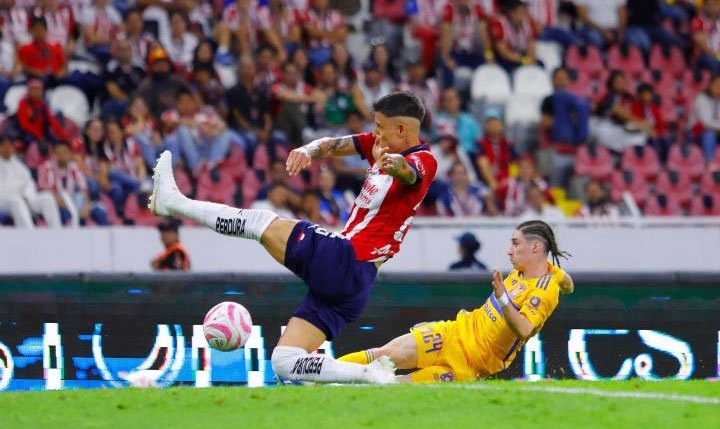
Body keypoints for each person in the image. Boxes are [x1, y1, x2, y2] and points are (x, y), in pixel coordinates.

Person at [149, 92, 437, 384]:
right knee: (285, 360)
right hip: (354, 282)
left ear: (402, 129)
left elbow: (409, 174)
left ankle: (174, 203)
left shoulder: (422, 160)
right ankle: (370, 375)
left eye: (380, 126)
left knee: (261, 223)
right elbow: (332, 145)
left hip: (347, 259)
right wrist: (308, 150)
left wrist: (391, 163)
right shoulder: (380, 144)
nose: (375, 133)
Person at [338, 220, 573, 382]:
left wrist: (502, 297)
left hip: (471, 365)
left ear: (535, 247)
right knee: (386, 354)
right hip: (454, 333)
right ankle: (317, 374)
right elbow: (567, 283)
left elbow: (523, 329)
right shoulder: (532, 272)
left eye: (515, 243)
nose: (509, 251)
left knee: (394, 384)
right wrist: (564, 280)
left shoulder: (544, 290)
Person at [0, 136, 62, 228]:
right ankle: (29, 236)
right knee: (17, 202)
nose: (7, 149)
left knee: (47, 198)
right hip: (5, 200)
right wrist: (18, 195)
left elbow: (29, 183)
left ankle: (57, 232)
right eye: (4, 147)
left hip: (25, 197)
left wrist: (27, 196)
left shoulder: (19, 165)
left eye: (9, 146)